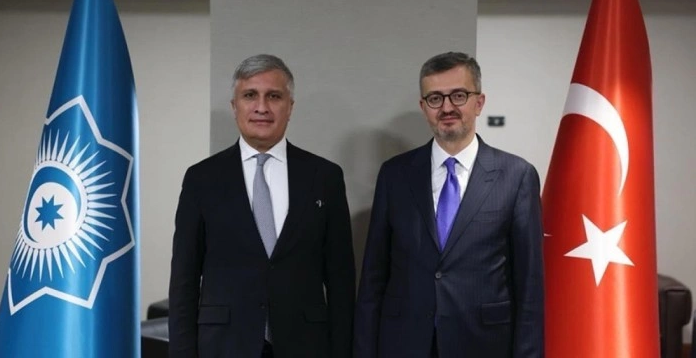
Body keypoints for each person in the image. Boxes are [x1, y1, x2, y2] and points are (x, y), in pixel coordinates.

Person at [354, 52, 544, 357]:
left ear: (479, 102)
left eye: (458, 95)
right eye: (435, 98)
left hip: (484, 345)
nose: (446, 108)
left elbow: (529, 287)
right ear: (423, 107)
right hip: (404, 344)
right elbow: (373, 278)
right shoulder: (395, 175)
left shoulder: (517, 176)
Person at [169, 54, 356, 358]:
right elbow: (184, 281)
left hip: (306, 346)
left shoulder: (325, 177)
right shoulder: (201, 179)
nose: (262, 107)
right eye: (250, 95)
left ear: (290, 107)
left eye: (274, 96)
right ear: (235, 106)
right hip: (224, 346)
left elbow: (341, 280)